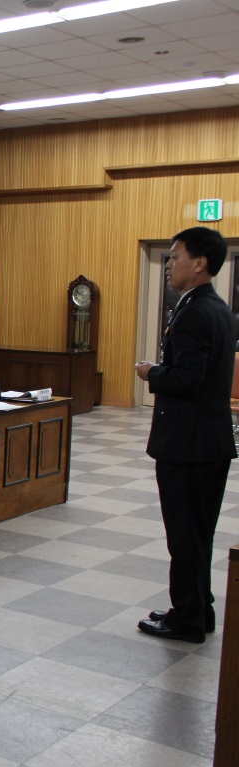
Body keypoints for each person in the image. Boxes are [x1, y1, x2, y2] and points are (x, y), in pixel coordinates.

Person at [134, 226, 236, 644]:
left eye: (175, 257)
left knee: (184, 533)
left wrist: (151, 373)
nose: (169, 265)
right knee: (198, 531)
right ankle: (199, 607)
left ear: (199, 263)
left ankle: (187, 618)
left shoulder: (194, 311)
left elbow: (188, 378)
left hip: (188, 443)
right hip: (210, 441)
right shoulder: (217, 307)